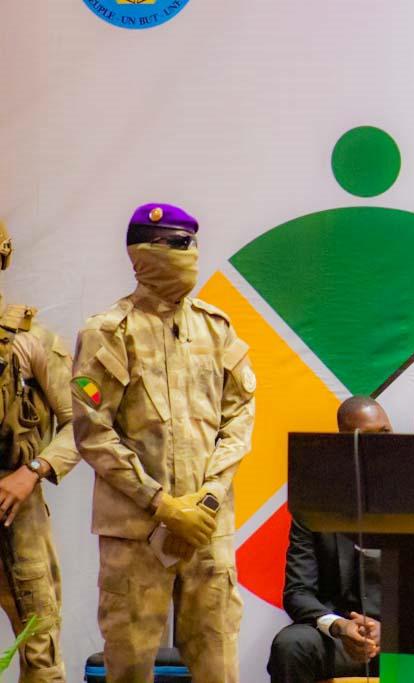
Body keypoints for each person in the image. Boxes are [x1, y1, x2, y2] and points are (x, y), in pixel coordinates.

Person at [71, 203, 255, 683]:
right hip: (136, 535)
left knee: (219, 666)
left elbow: (239, 416)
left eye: (189, 243)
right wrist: (162, 504)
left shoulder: (217, 328)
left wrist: (209, 496)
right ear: (140, 253)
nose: (185, 254)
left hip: (207, 531)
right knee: (129, 667)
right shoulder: (108, 333)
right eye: (172, 244)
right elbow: (93, 431)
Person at [0, 220, 80, 682]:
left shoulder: (34, 343)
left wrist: (33, 470)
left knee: (39, 645)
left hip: (18, 508)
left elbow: (84, 423)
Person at [267, 395, 386, 683]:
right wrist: (340, 626)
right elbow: (297, 593)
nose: (381, 447)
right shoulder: (315, 507)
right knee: (291, 646)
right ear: (343, 445)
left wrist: (391, 627)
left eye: (385, 434)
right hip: (339, 639)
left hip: (400, 639)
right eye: (366, 438)